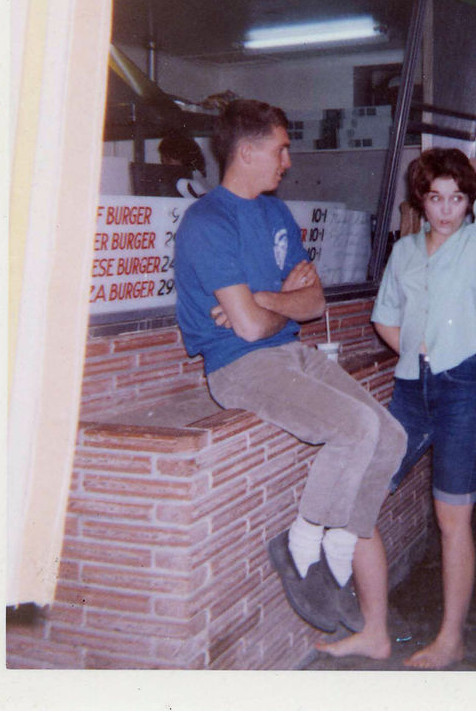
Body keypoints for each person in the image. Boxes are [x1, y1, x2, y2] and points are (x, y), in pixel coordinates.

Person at [174, 99, 406, 656]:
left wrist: (258, 300)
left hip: (290, 353)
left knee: (391, 436)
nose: (289, 161)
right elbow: (250, 331)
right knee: (353, 430)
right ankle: (306, 542)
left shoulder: (276, 216)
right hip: (239, 367)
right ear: (248, 151)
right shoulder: (208, 222)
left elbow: (314, 302)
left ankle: (338, 543)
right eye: (281, 148)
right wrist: (275, 306)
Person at [371, 147, 476, 668]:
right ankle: (373, 630)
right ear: (421, 202)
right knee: (364, 492)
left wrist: (450, 161)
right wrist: (413, 347)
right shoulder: (404, 252)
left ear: (468, 203)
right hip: (411, 391)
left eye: (456, 198)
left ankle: (450, 640)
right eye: (435, 198)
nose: (447, 209)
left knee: (453, 520)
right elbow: (386, 318)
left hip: (461, 392)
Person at [158, 130, 212, 197]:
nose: (165, 165)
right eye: (162, 161)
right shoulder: (198, 180)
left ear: (183, 157)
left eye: (168, 159)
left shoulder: (188, 183)